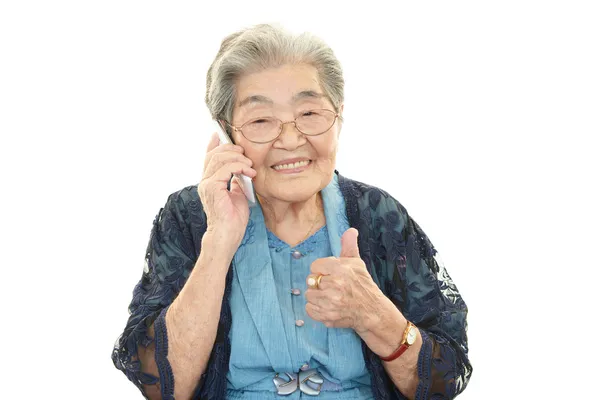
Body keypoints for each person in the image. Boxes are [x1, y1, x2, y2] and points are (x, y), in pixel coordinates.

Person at [112, 23, 472, 400]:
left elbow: (443, 383)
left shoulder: (377, 214)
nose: (290, 139)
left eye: (310, 113)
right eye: (261, 120)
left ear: (340, 116)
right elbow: (162, 387)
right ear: (228, 132)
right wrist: (218, 241)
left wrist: (376, 318)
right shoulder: (192, 214)